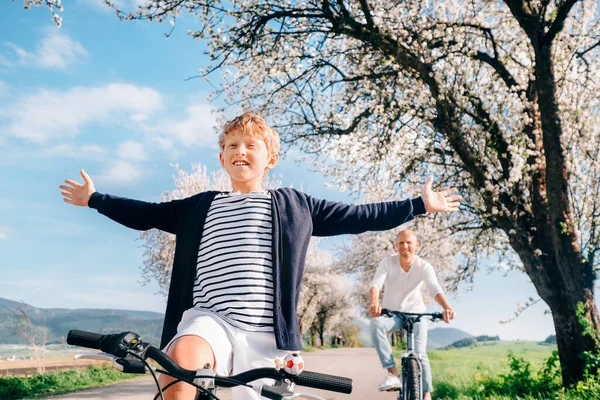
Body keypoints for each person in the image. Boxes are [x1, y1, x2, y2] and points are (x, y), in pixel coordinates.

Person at [59, 112, 462, 400]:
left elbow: (358, 216)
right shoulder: (199, 206)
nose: (240, 151)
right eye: (232, 145)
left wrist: (417, 205)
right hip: (210, 320)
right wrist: (95, 199)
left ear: (269, 158)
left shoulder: (294, 206)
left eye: (251, 145)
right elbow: (144, 214)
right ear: (222, 158)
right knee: (177, 369)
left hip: (269, 336)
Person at [369, 229, 455, 399]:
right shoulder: (387, 262)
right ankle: (392, 374)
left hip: (417, 314)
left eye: (409, 242)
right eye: (401, 242)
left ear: (417, 245)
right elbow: (376, 284)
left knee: (420, 354)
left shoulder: (424, 266)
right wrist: (374, 302)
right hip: (392, 314)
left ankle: (427, 394)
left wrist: (447, 307)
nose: (405, 246)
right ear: (396, 246)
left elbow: (434, 289)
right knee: (375, 324)